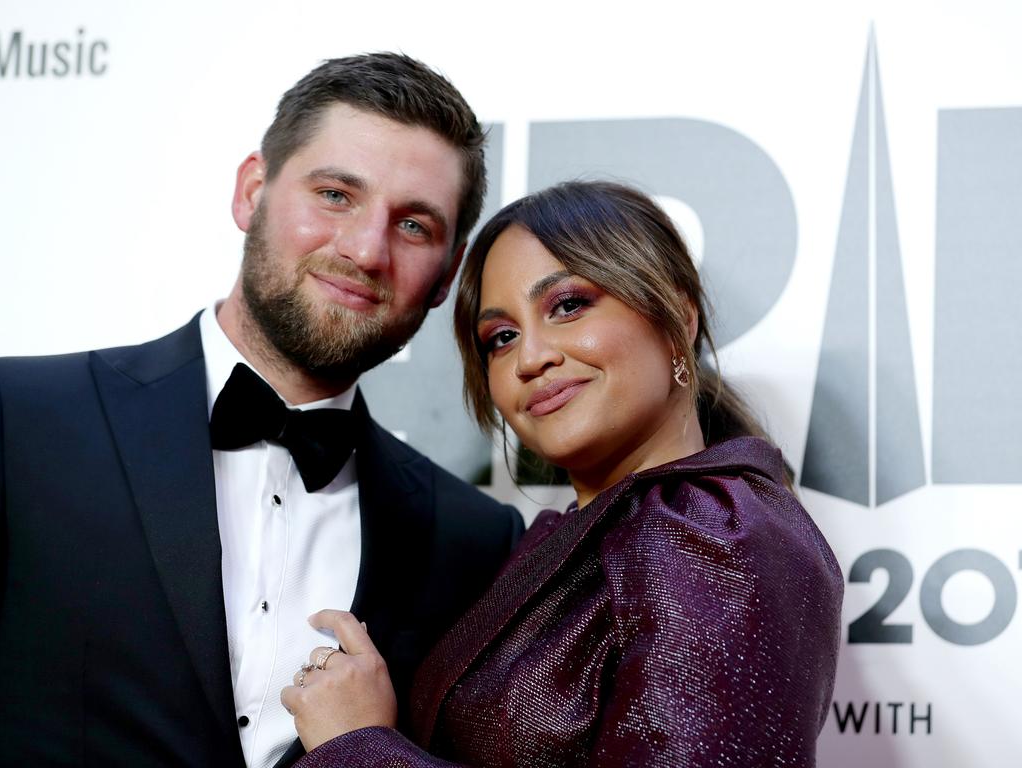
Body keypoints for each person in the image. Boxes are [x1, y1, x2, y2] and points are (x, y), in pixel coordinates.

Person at [0, 53, 523, 768]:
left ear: (446, 275)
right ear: (252, 192)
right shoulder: (20, 420)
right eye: (337, 195)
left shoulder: (474, 538)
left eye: (413, 226)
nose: (366, 250)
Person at [282, 181, 844, 767]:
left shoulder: (707, 534)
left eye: (569, 306)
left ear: (677, 313)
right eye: (501, 338)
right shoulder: (590, 536)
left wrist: (359, 747)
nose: (530, 359)